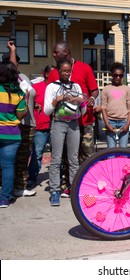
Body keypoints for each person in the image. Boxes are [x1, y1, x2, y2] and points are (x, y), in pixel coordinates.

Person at [48, 41, 99, 197]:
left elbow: (95, 90)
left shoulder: (84, 68)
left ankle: (87, 185)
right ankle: (67, 186)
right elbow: (50, 97)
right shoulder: (54, 72)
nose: (54, 54)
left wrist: (90, 98)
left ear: (66, 52)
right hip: (63, 122)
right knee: (64, 156)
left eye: (56, 52)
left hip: (85, 120)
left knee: (87, 155)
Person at [44, 59, 87, 206]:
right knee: (56, 159)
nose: (66, 73)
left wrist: (78, 100)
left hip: (73, 124)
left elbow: (84, 109)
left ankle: (74, 189)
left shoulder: (76, 86)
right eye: (63, 70)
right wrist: (58, 100)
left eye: (68, 71)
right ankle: (55, 191)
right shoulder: (52, 87)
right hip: (58, 123)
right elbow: (46, 110)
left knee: (73, 159)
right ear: (58, 71)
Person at [2, 46, 37, 197]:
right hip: (14, 124)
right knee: (8, 162)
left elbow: (31, 95)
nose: (14, 64)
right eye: (11, 62)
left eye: (16, 62)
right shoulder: (6, 82)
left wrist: (34, 103)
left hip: (28, 122)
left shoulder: (24, 77)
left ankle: (19, 186)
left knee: (23, 158)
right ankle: (6, 189)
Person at [0, 41, 27, 208]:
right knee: (8, 167)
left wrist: (12, 50)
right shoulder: (18, 93)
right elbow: (20, 114)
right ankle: (4, 199)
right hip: (11, 134)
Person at [27, 65, 54, 188]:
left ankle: (57, 180)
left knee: (57, 155)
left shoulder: (57, 88)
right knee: (37, 154)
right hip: (40, 127)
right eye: (53, 73)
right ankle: (32, 178)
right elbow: (28, 103)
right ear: (46, 74)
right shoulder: (36, 87)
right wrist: (34, 103)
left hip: (55, 126)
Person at [101, 62, 130, 148]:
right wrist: (107, 124)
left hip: (123, 122)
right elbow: (103, 108)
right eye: (116, 75)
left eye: (120, 75)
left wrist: (127, 124)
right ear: (112, 75)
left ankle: (123, 162)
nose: (118, 77)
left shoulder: (127, 89)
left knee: (123, 150)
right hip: (110, 121)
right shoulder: (106, 89)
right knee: (111, 150)